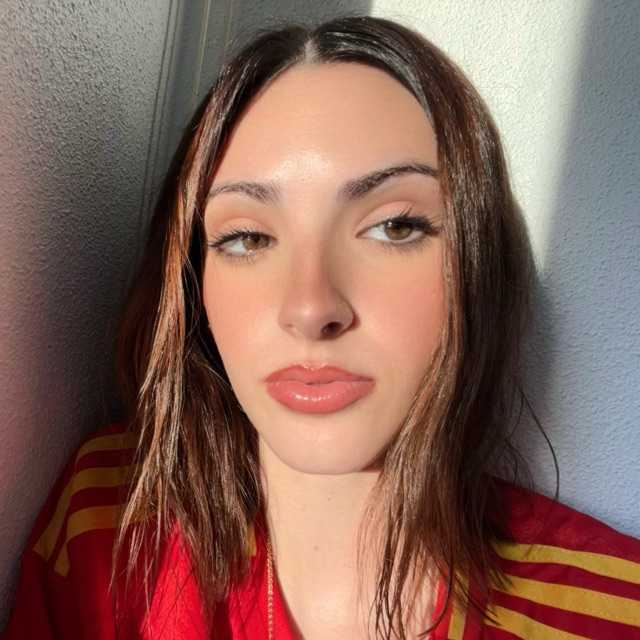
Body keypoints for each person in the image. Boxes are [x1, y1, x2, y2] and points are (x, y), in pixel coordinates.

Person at [3, 14, 640, 640]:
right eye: (248, 237)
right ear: (193, 283)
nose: (311, 309)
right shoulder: (107, 523)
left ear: (479, 267)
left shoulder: (611, 614)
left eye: (395, 227)